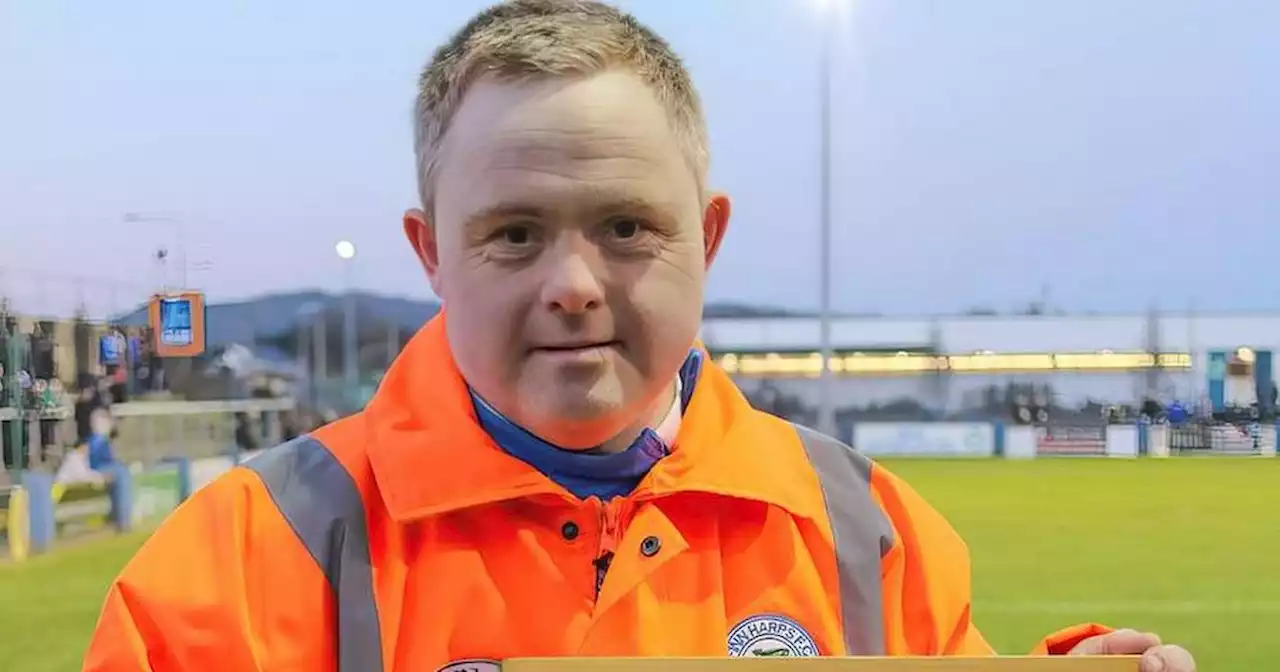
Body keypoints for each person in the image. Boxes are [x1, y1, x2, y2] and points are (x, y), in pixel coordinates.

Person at [83, 2, 1195, 671]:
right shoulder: (240, 559)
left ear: (704, 237)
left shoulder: (870, 533)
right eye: (513, 234)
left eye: (625, 228)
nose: (573, 285)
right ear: (430, 255)